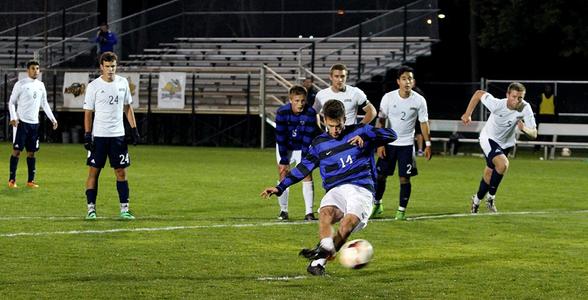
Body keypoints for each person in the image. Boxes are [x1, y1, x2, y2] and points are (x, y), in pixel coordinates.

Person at [261, 100, 397, 276]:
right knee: (326, 213)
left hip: (361, 189)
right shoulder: (319, 144)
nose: (335, 130)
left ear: (344, 119)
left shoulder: (360, 131)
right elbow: (303, 168)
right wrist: (280, 187)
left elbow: (392, 135)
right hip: (336, 189)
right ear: (324, 120)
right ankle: (323, 252)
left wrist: (368, 137)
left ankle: (320, 258)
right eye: (331, 126)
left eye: (339, 125)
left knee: (347, 224)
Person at [461, 82, 537, 213]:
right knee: (503, 165)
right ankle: (490, 198)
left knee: (490, 173)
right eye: (514, 97)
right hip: (488, 139)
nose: (518, 101)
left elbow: (534, 133)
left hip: (506, 143)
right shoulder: (496, 104)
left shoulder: (525, 108)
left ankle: (476, 200)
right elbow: (479, 94)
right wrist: (468, 114)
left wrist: (524, 128)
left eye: (521, 98)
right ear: (507, 95)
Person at [83, 51, 140, 220]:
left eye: (113, 66)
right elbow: (88, 112)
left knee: (121, 172)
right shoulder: (93, 86)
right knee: (94, 172)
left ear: (117, 66)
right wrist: (87, 134)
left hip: (118, 136)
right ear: (101, 67)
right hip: (99, 136)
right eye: (107, 66)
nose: (110, 70)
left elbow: (128, 107)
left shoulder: (123, 83)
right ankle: (91, 210)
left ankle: (124, 210)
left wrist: (134, 129)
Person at [372, 66, 432, 220]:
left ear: (414, 81)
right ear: (398, 81)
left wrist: (428, 144)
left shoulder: (419, 100)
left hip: (406, 145)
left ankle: (401, 211)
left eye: (410, 78)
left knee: (404, 178)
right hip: (389, 144)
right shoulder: (388, 97)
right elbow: (381, 120)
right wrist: (379, 143)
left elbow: (424, 123)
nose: (407, 81)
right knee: (380, 176)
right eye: (404, 78)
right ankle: (377, 204)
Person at [7, 60, 58, 188]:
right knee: (17, 151)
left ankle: (30, 181)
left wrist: (53, 119)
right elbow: (11, 102)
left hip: (34, 124)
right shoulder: (21, 84)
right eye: (33, 68)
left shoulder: (41, 85)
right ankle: (12, 180)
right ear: (27, 71)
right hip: (21, 123)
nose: (35, 71)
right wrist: (14, 117)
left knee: (31, 152)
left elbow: (44, 103)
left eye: (37, 68)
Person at [274, 85, 320, 221]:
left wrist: (304, 161)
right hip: (285, 147)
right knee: (283, 173)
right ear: (290, 100)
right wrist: (284, 159)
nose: (300, 104)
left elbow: (307, 138)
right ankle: (283, 211)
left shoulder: (310, 113)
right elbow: (280, 137)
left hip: (302, 147)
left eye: (303, 101)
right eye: (297, 101)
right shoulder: (282, 112)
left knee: (306, 174)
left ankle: (309, 213)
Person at [313, 64, 377, 128]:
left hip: (350, 136)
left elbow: (372, 112)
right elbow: (313, 113)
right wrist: (318, 129)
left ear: (346, 77)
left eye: (342, 76)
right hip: (331, 136)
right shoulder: (321, 94)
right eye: (336, 76)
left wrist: (358, 129)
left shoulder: (355, 92)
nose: (340, 80)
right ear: (330, 77)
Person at [534, 84, 557, 151]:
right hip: (541, 117)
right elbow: (537, 109)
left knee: (550, 134)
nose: (548, 90)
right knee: (539, 134)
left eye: (549, 88)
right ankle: (537, 148)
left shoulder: (554, 98)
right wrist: (537, 118)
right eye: (546, 88)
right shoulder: (540, 97)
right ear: (544, 89)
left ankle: (549, 148)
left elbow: (556, 109)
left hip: (551, 117)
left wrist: (556, 119)